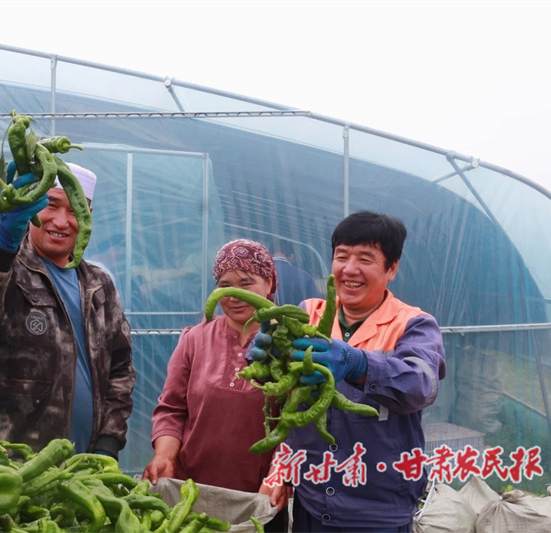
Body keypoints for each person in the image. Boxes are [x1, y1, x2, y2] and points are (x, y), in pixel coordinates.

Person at [254, 211, 446, 532]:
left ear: (392, 268)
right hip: (312, 503)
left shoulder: (413, 323)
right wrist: (262, 364)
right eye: (341, 256)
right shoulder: (308, 313)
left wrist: (359, 364)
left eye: (365, 258)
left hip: (378, 512)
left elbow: (420, 384)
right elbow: (292, 405)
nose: (349, 269)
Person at [0, 162, 135, 457]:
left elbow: (120, 370)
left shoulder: (99, 286)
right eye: (50, 205)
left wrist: (109, 442)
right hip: (9, 468)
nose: (61, 221)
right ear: (30, 207)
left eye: (75, 210)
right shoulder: (6, 271)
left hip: (86, 466)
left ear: (88, 217)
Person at [143, 238, 287, 532]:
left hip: (260, 495)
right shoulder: (194, 339)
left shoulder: (290, 343)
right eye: (224, 284)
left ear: (269, 282)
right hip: (191, 492)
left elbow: (298, 424)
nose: (234, 295)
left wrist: (279, 475)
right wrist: (164, 457)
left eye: (245, 283)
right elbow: (172, 409)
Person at [271, 238, 321, 305]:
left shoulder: (260, 273)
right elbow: (315, 305)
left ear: (269, 254)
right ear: (291, 257)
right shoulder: (304, 277)